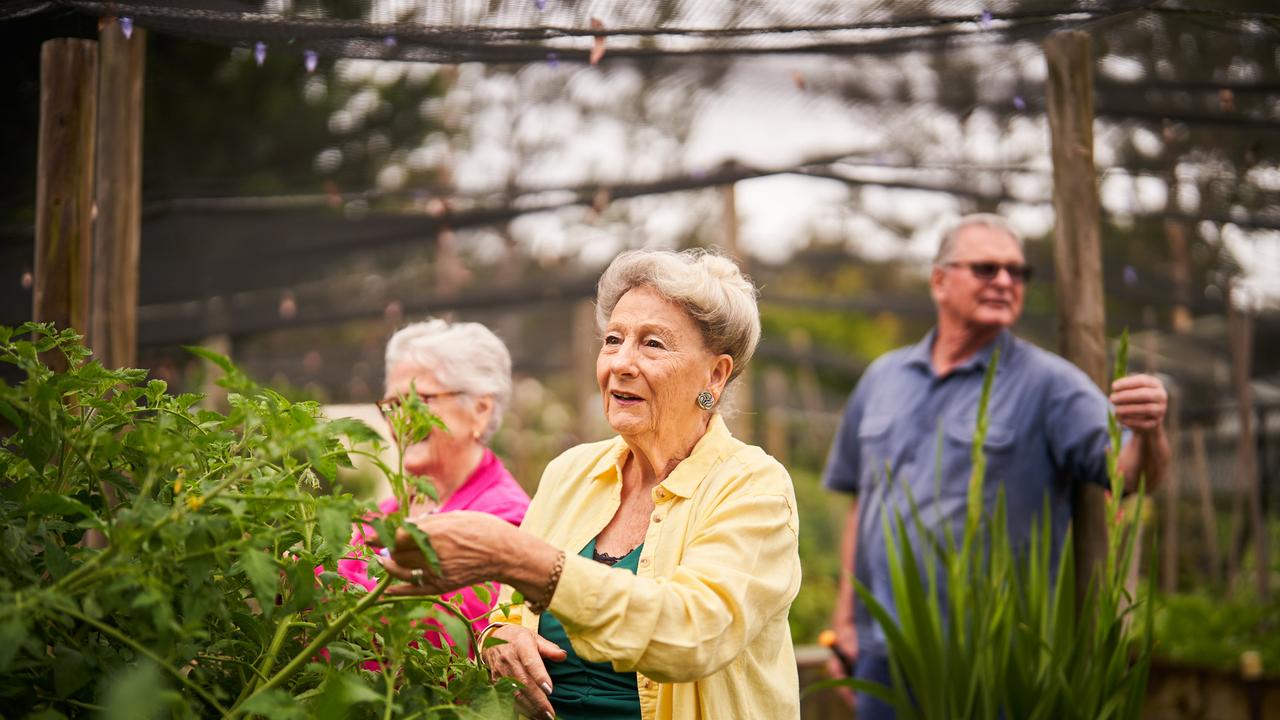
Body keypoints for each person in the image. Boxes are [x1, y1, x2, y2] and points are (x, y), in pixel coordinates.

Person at [375, 249, 803, 720]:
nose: (621, 362)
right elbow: (505, 614)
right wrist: (499, 639)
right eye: (613, 339)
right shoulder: (570, 473)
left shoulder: (753, 488)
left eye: (653, 344)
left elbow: (691, 634)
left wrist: (520, 558)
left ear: (715, 375)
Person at [822, 213, 1170, 720]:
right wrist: (845, 622)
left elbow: (1131, 474)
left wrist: (1151, 429)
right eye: (986, 268)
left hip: (994, 661)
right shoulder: (882, 378)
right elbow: (863, 505)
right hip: (884, 652)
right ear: (940, 281)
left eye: (1017, 272)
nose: (1005, 281)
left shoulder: (1050, 384)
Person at [336, 319, 531, 648]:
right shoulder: (381, 515)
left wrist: (317, 588)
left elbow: (447, 630)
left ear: (480, 410)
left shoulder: (504, 516)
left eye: (420, 401)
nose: (401, 419)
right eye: (392, 405)